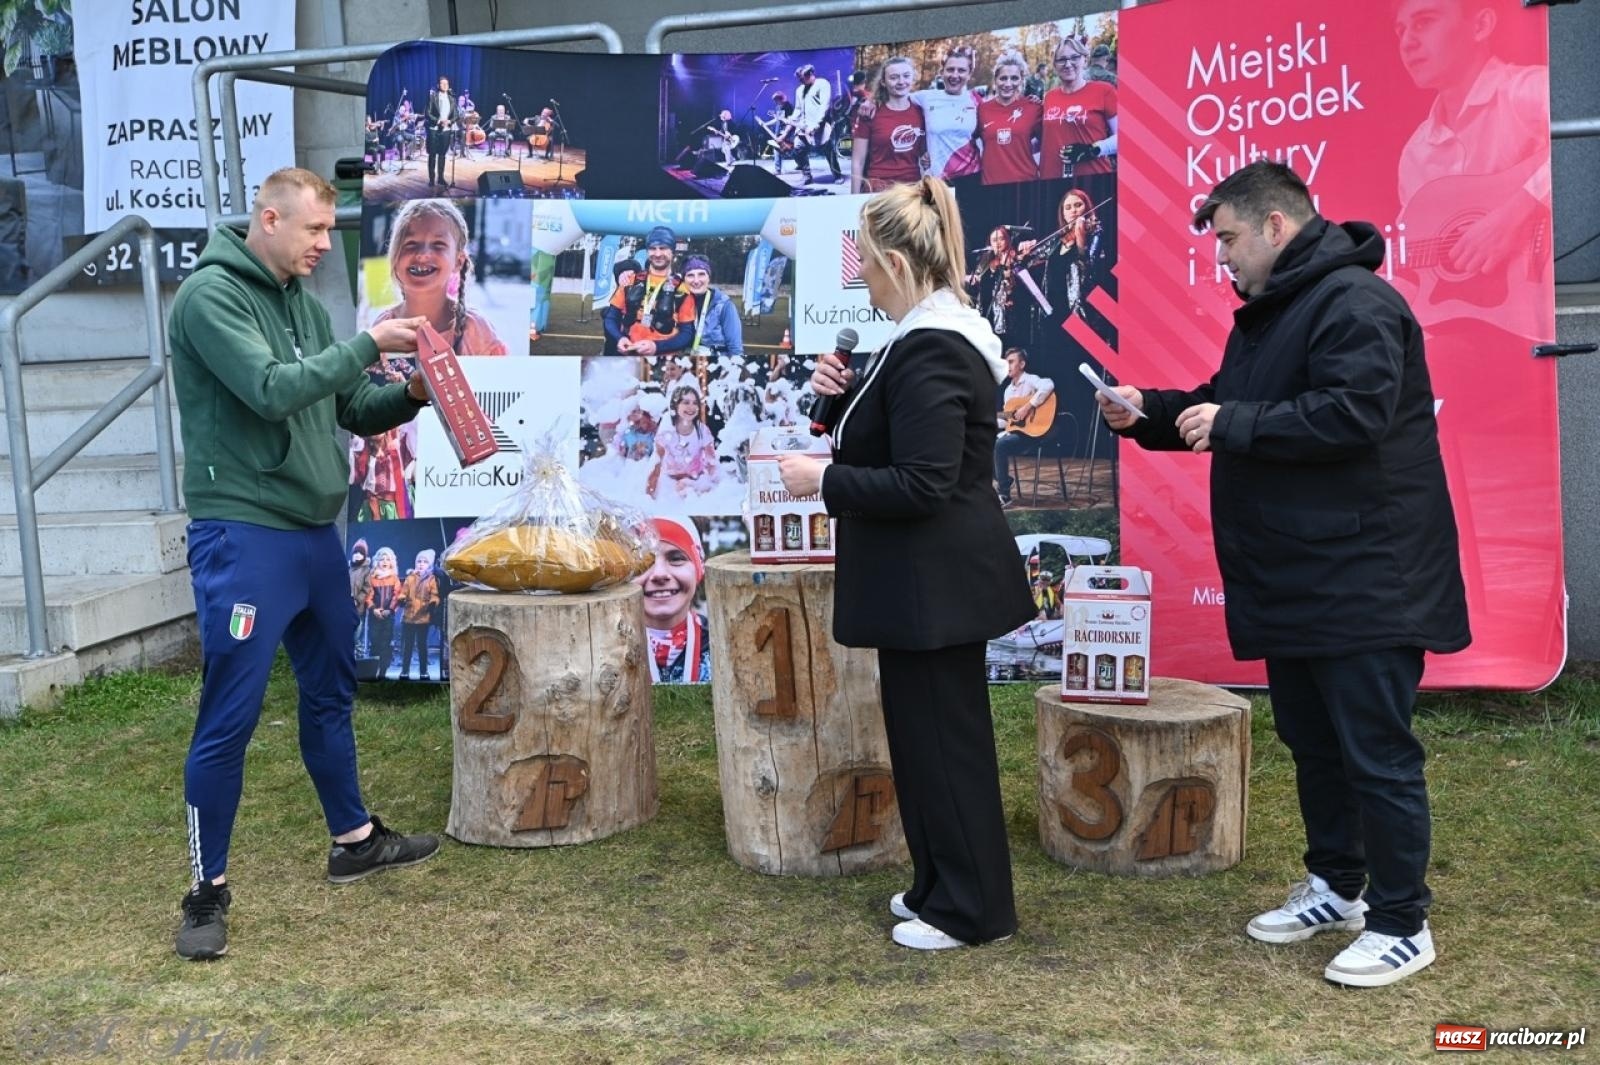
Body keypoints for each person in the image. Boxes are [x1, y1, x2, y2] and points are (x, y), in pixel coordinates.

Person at [1096, 161, 1471, 988]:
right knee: (1313, 743)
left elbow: (1353, 413)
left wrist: (1233, 419)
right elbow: (1223, 405)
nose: (1220, 256)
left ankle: (1403, 922)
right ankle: (1338, 885)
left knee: (1376, 753)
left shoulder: (1357, 304)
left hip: (1368, 576)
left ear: (1275, 226)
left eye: (1228, 237)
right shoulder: (1272, 315)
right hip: (1303, 576)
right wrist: (1147, 411)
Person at [167, 168, 441, 961]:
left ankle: (353, 837)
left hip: (317, 533)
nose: (327, 244)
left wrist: (417, 391)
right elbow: (268, 389)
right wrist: (366, 341)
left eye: (330, 232)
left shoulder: (301, 300)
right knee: (232, 714)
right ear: (270, 217)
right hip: (246, 534)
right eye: (317, 230)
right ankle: (205, 887)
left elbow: (350, 404)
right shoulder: (209, 296)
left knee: (331, 691)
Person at [777, 176, 1034, 951]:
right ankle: (937, 885)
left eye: (865, 261)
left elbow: (923, 481)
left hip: (937, 584)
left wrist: (819, 478)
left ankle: (972, 910)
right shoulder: (927, 340)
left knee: (945, 748)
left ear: (894, 260)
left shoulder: (934, 345)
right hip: (927, 584)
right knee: (923, 744)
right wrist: (850, 395)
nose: (858, 277)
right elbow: (915, 444)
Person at [1393, 0, 1550, 338]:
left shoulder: (1527, 91)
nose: (1407, 42)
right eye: (1401, 30)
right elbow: (1414, 268)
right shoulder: (1415, 155)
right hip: (1487, 326)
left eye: (1424, 23)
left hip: (1537, 317)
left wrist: (1512, 216)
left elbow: (1575, 149)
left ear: (1480, 26)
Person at [370, 198, 507, 357]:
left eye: (438, 244)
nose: (422, 254)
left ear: (458, 261)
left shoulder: (476, 330)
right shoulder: (384, 327)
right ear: (395, 257)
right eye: (411, 243)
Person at [634, 516, 712, 683]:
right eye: (644, 561)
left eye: (676, 558)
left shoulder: (723, 645)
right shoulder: (602, 651)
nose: (659, 573)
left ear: (699, 568)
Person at [603, 226, 695, 358]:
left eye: (663, 248)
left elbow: (687, 334)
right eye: (652, 248)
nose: (657, 254)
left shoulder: (683, 289)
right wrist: (619, 338)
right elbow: (611, 318)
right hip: (629, 352)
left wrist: (657, 347)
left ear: (672, 251)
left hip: (663, 358)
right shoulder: (631, 280)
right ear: (647, 251)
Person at [1040, 38, 1117, 179]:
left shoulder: (1104, 91)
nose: (1068, 64)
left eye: (1074, 57)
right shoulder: (1049, 97)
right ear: (1055, 66)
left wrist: (1092, 150)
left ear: (1085, 60)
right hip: (1051, 177)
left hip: (1093, 177)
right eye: (1061, 60)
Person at [849, 56, 926, 195]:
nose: (901, 81)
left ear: (913, 79)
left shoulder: (922, 111)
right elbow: (857, 161)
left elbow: (925, 151)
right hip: (879, 188)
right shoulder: (870, 112)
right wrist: (853, 199)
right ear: (883, 82)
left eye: (906, 76)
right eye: (894, 77)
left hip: (912, 189)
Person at [993, 348, 1056, 508]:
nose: (1007, 366)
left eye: (1011, 362)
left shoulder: (1030, 380)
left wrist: (1027, 407)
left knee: (1000, 445)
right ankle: (1005, 480)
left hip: (1034, 433)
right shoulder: (1008, 391)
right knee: (982, 441)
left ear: (1022, 364)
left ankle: (1004, 495)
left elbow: (1048, 385)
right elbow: (1009, 420)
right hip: (1017, 432)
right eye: (1006, 362)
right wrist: (988, 420)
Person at [976, 51, 1042, 186]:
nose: (1008, 83)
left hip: (1026, 183)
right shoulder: (982, 109)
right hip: (991, 185)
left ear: (1022, 80)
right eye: (1003, 78)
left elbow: (1049, 143)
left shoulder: (1034, 107)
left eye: (1014, 78)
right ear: (995, 80)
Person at [647, 385, 719, 498]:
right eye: (686, 402)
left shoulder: (702, 430)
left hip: (696, 479)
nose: (691, 407)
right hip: (671, 480)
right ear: (675, 406)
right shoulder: (666, 432)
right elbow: (656, 465)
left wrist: (714, 484)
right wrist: (649, 493)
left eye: (695, 403)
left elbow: (711, 462)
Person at [789, 63, 842, 185]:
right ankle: (807, 175)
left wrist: (817, 124)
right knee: (798, 148)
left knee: (829, 151)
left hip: (821, 126)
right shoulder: (799, 90)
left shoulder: (822, 84)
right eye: (799, 79)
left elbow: (825, 105)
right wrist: (791, 119)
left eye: (802, 78)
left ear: (810, 74)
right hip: (804, 127)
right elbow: (797, 109)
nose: (800, 81)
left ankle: (837, 175)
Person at [682, 254, 744, 357]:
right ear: (684, 279)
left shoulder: (724, 305)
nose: (696, 281)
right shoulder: (679, 302)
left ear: (709, 277)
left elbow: (735, 348)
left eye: (701, 274)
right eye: (690, 275)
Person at [396, 548, 441, 681]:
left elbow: (435, 594)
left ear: (429, 564)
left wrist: (433, 603)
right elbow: (403, 592)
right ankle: (405, 670)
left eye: (424, 562)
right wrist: (401, 598)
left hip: (423, 617)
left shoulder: (431, 579)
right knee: (407, 646)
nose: (421, 564)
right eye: (419, 561)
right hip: (408, 617)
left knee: (422, 646)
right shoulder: (410, 578)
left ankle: (424, 671)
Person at [425, 75, 456, 189]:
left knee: (442, 155)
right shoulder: (433, 97)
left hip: (446, 130)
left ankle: (441, 178)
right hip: (434, 129)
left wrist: (449, 121)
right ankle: (432, 179)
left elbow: (456, 115)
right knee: (432, 155)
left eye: (447, 84)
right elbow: (427, 113)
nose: (445, 85)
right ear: (438, 85)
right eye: (443, 83)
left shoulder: (452, 98)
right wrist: (438, 121)